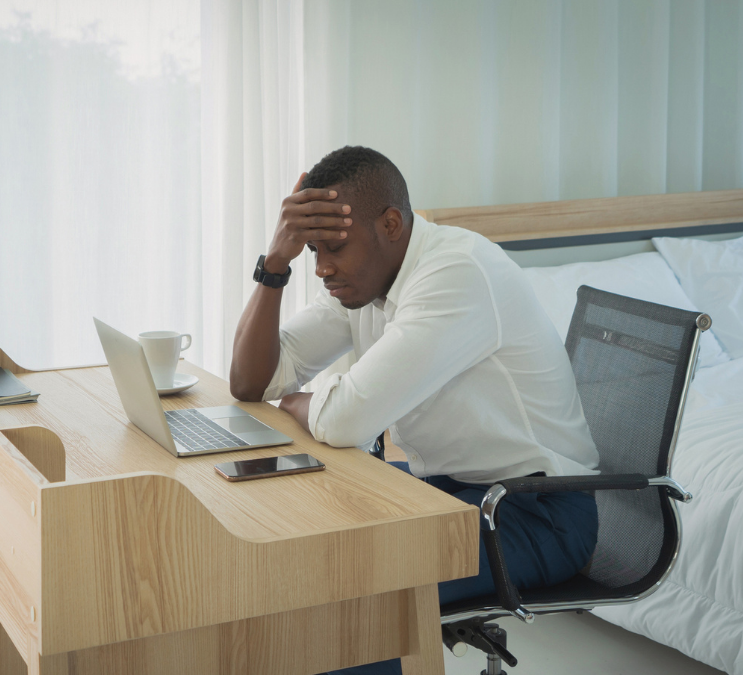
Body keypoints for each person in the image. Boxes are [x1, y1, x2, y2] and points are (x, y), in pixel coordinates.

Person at [229, 146, 600, 675]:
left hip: (532, 509)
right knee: (303, 546)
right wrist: (274, 264)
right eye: (312, 250)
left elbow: (347, 419)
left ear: (392, 224)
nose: (323, 268)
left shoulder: (456, 272)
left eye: (332, 248)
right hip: (451, 490)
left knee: (357, 588)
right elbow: (251, 381)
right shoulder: (364, 281)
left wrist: (298, 401)